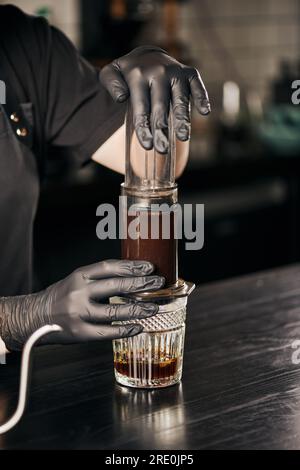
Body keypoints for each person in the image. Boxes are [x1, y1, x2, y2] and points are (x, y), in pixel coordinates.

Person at [0, 5, 210, 352]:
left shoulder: (24, 46)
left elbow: (155, 164)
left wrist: (157, 85)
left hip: (21, 378)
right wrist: (18, 318)